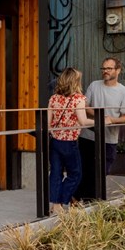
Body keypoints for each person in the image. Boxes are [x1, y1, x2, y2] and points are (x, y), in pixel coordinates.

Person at [76, 56, 125, 199]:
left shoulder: (124, 92)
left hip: (109, 138)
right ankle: (87, 202)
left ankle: (85, 200)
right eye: (104, 68)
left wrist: (111, 120)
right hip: (88, 136)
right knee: (85, 171)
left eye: (109, 68)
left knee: (102, 171)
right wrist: (100, 117)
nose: (105, 71)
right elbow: (85, 107)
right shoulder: (94, 85)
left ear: (118, 70)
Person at [47, 67, 94, 213]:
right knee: (75, 174)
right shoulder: (78, 99)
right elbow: (83, 121)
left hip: (55, 141)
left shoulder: (54, 98)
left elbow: (48, 124)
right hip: (69, 142)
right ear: (75, 82)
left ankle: (55, 205)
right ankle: (62, 200)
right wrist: (101, 121)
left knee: (55, 173)